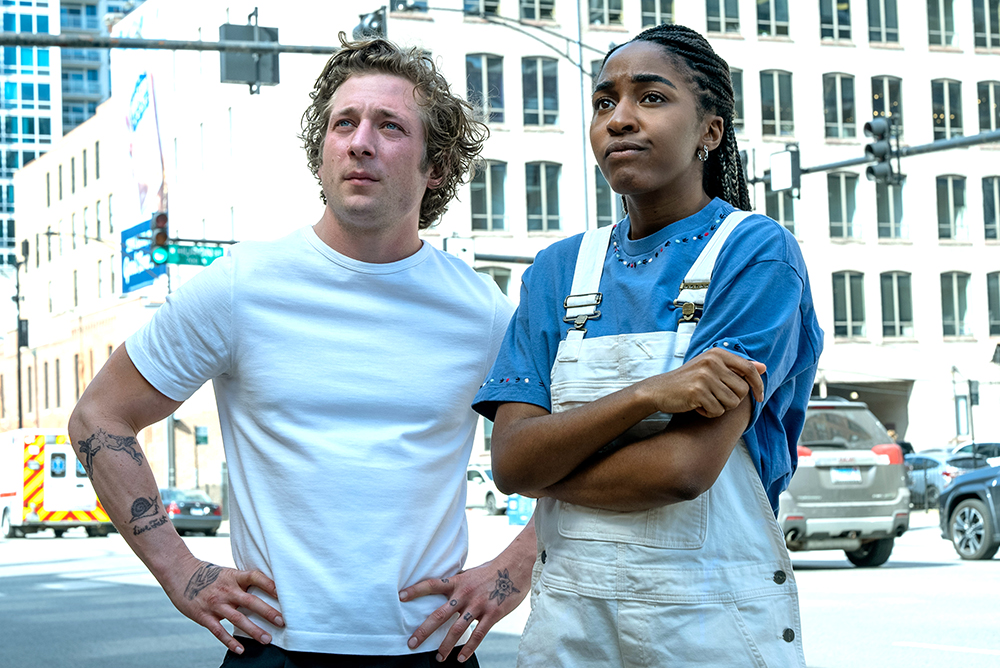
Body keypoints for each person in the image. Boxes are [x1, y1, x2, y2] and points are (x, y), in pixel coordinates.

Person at [68, 34, 535, 668]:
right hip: (272, 646)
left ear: (437, 169)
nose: (359, 141)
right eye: (344, 123)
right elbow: (99, 415)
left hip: (429, 649)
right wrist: (180, 571)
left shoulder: (482, 311)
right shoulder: (242, 286)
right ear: (321, 155)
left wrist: (512, 569)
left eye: (390, 126)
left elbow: (573, 445)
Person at [473, 23, 823, 668]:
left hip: (711, 630)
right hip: (567, 632)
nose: (620, 119)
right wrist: (647, 397)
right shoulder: (556, 271)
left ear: (710, 133)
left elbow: (681, 471)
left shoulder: (757, 256)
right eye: (605, 102)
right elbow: (512, 464)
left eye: (652, 98)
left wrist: (550, 464)